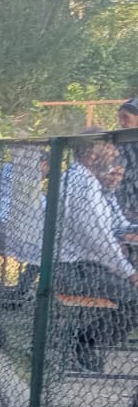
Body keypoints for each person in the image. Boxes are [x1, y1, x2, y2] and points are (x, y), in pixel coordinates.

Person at [55, 136, 138, 371]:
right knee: (135, 300)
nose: (113, 154)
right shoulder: (83, 184)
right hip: (76, 270)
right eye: (108, 148)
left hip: (80, 265)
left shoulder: (83, 179)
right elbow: (99, 240)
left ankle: (85, 340)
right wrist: (130, 273)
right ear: (92, 152)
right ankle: (84, 341)